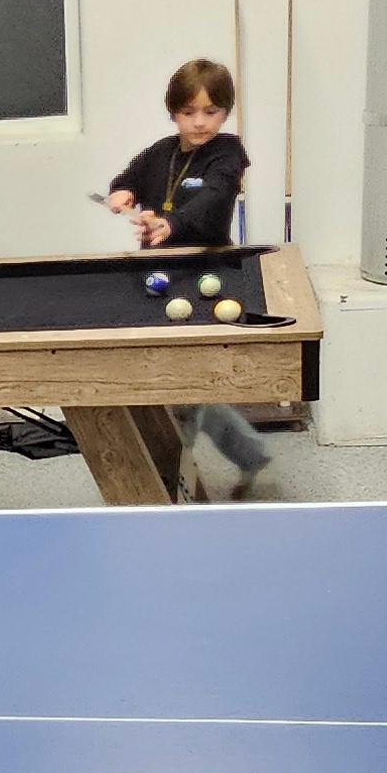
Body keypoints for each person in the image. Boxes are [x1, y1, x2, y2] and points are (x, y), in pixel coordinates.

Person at [108, 57, 273, 500]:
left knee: (184, 379)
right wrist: (121, 192)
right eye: (188, 112)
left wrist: (170, 224)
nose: (200, 122)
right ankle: (250, 453)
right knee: (189, 381)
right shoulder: (160, 151)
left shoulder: (229, 152)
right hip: (157, 273)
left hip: (207, 271)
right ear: (173, 111)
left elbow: (214, 197)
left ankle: (172, 463)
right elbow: (127, 179)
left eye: (211, 112)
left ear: (226, 111)